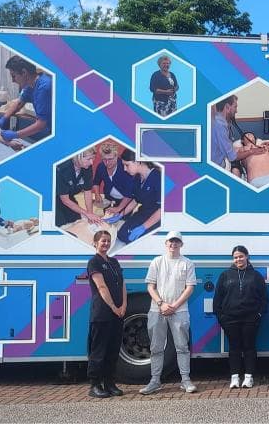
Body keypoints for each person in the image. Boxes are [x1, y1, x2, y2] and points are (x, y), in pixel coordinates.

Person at [139, 231, 197, 395]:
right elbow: (150, 286)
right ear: (166, 244)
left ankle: (185, 380)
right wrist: (161, 304)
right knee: (156, 347)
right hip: (157, 310)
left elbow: (190, 287)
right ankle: (155, 381)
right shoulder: (157, 262)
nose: (173, 244)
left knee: (182, 347)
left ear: (181, 244)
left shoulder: (187, 263)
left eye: (177, 241)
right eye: (170, 242)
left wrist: (174, 306)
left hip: (180, 311)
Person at [213, 245, 268, 389]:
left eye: (241, 256)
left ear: (247, 256)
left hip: (251, 319)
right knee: (234, 348)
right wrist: (221, 317)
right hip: (230, 319)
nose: (238, 259)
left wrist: (259, 314)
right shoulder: (225, 275)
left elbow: (264, 299)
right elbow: (217, 299)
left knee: (249, 347)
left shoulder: (256, 276)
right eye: (236, 257)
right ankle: (235, 377)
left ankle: (249, 377)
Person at [86, 230, 126, 398]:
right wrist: (113, 307)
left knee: (112, 350)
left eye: (108, 241)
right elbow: (101, 287)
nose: (106, 244)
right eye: (103, 241)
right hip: (102, 312)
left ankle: (110, 383)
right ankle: (95, 385)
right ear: (95, 243)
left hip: (118, 313)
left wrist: (124, 305)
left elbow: (122, 284)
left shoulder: (114, 262)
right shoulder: (93, 262)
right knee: (99, 350)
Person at [0, 55, 52, 141]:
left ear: (24, 72)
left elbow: (41, 124)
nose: (12, 80)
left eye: (13, 76)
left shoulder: (44, 87)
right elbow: (19, 103)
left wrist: (16, 134)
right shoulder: (30, 85)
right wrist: (4, 118)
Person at [108, 150, 161, 243]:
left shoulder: (158, 177)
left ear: (138, 161)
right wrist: (121, 214)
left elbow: (163, 209)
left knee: (135, 240)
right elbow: (135, 200)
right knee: (122, 235)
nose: (124, 169)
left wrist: (144, 227)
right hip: (144, 211)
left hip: (158, 215)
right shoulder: (137, 177)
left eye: (127, 165)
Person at [210, 96, 264, 170]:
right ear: (227, 107)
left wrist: (243, 149)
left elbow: (226, 147)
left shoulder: (219, 121)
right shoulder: (220, 125)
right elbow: (233, 157)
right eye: (235, 107)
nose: (236, 111)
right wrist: (252, 151)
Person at [55, 148, 102, 227]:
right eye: (88, 159)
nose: (91, 162)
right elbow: (65, 200)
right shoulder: (63, 168)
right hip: (54, 197)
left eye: (93, 158)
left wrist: (90, 214)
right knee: (60, 224)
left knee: (76, 220)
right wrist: (86, 213)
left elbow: (88, 192)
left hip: (69, 195)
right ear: (78, 157)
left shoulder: (87, 167)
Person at [92, 141, 133, 209]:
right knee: (107, 218)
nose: (107, 163)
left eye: (110, 159)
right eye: (104, 159)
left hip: (125, 202)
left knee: (124, 219)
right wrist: (97, 194)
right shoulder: (101, 166)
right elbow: (96, 182)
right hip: (108, 200)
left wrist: (119, 208)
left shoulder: (125, 167)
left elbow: (129, 194)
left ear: (116, 156)